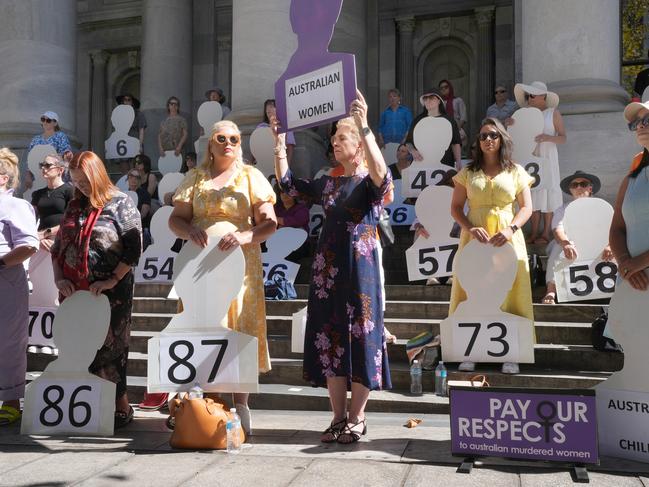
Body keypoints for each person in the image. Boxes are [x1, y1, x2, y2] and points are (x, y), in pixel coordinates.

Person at [272, 90, 392, 444]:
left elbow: (383, 176)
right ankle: (338, 417)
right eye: (334, 138)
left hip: (361, 266)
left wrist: (365, 126)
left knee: (363, 336)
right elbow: (289, 185)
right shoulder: (327, 180)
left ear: (357, 144)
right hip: (327, 269)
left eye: (342, 137)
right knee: (331, 338)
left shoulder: (369, 181)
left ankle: (358, 417)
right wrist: (279, 142)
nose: (335, 143)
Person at [170, 120, 277, 434]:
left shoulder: (250, 176)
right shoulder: (195, 177)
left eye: (234, 138)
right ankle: (205, 403)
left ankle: (240, 402)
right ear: (210, 144)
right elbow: (176, 220)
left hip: (240, 265)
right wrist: (190, 229)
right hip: (200, 266)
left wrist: (245, 236)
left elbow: (270, 223)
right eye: (222, 138)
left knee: (239, 326)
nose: (229, 142)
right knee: (202, 325)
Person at [52, 151, 142, 428]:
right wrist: (58, 279)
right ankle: (84, 406)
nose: (80, 186)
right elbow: (57, 249)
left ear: (98, 175)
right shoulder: (74, 206)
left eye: (85, 180)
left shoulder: (121, 203)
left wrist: (113, 279)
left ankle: (120, 405)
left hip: (110, 293)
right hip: (74, 293)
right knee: (77, 346)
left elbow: (134, 247)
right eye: (76, 181)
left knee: (110, 348)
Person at [449, 118, 534, 375]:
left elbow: (527, 207)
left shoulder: (516, 171)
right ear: (477, 141)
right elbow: (455, 208)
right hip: (475, 238)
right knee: (474, 287)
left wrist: (511, 229)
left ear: (502, 140)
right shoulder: (467, 172)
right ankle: (471, 350)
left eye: (494, 135)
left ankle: (512, 353)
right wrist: (469, 227)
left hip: (508, 237)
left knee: (509, 288)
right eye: (484, 135)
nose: (488, 140)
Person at [0, 148, 39, 426]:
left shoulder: (17, 206)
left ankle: (12, 401)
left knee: (9, 342)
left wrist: (1, 264)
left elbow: (28, 245)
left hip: (7, 281)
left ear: (2, 178)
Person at [542, 171, 612, 304]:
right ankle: (551, 290)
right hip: (572, 244)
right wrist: (565, 243)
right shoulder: (563, 209)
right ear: (570, 190)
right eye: (575, 185)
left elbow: (613, 229)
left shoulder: (601, 206)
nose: (579, 187)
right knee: (558, 247)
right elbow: (558, 229)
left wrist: (610, 245)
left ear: (590, 188)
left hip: (596, 244)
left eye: (583, 184)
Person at [513, 81, 566, 244]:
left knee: (548, 191)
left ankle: (546, 232)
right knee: (533, 191)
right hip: (530, 156)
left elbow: (563, 137)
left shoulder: (553, 113)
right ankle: (534, 232)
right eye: (528, 95)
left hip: (547, 156)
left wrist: (547, 138)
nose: (529, 98)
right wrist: (510, 123)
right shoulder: (523, 114)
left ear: (543, 96)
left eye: (532, 95)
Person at [610, 100, 649, 292]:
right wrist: (626, 263)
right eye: (636, 122)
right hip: (632, 286)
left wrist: (639, 263)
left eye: (647, 119)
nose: (640, 125)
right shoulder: (630, 180)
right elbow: (616, 229)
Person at [405, 87, 462, 170]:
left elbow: (455, 143)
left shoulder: (449, 120)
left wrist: (459, 161)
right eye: (425, 98)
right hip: (420, 167)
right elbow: (408, 142)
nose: (428, 100)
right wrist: (413, 151)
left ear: (439, 101)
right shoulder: (417, 120)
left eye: (431, 97)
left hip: (446, 166)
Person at [31, 154, 73, 253]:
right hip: (41, 243)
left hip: (62, 241)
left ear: (60, 170)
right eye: (42, 165)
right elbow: (30, 218)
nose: (43, 168)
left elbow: (72, 220)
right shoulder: (38, 194)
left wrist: (45, 234)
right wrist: (37, 237)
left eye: (48, 165)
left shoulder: (69, 191)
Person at [257, 99, 296, 165]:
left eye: (272, 111)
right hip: (262, 163)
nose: (270, 115)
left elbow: (290, 147)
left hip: (280, 161)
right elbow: (255, 145)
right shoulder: (261, 127)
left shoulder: (285, 126)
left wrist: (287, 166)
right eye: (268, 112)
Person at [439, 79, 468, 148]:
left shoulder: (458, 100)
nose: (443, 89)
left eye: (446, 87)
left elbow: (463, 117)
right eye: (441, 88)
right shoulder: (439, 103)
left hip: (457, 130)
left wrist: (456, 130)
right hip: (442, 132)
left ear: (450, 88)